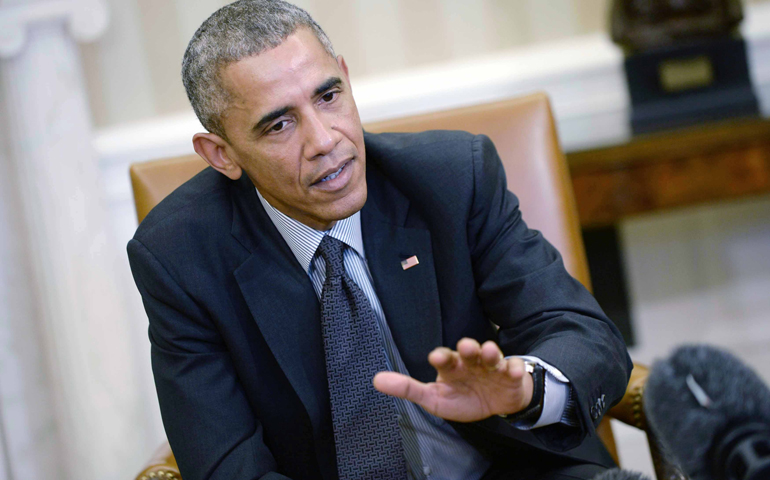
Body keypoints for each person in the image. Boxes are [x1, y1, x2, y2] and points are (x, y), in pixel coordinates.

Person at [127, 1, 632, 479]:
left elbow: (583, 333)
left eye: (328, 97)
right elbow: (227, 464)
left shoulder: (454, 179)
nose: (325, 140)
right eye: (279, 124)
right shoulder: (179, 256)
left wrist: (527, 390)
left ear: (346, 78)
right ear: (221, 154)